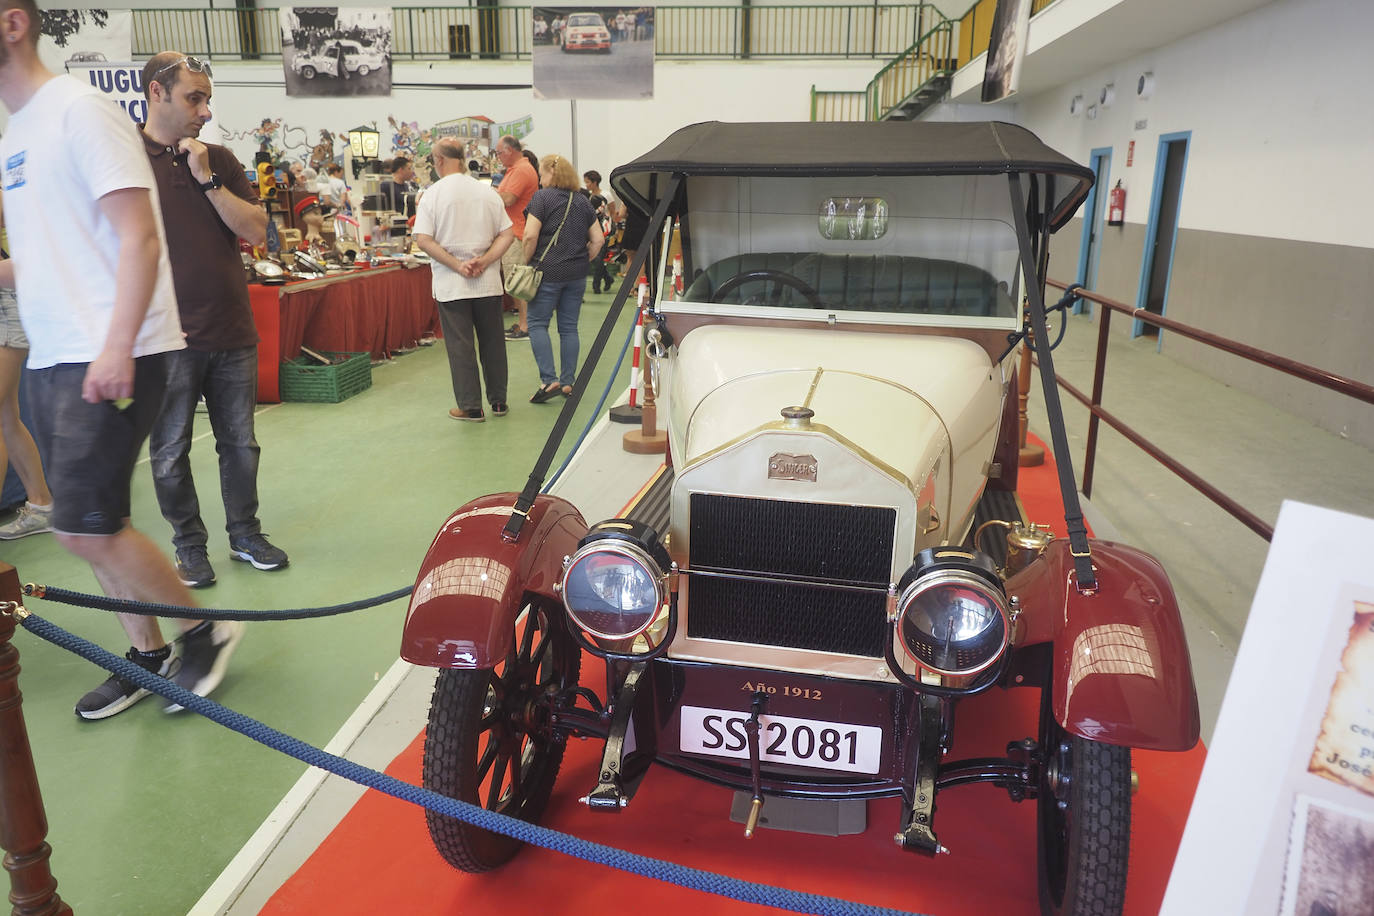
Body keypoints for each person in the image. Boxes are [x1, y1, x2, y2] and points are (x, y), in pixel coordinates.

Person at [0, 5, 240, 720]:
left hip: (115, 350)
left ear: (13, 23)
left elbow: (139, 238)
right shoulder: (18, 131)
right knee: (89, 518)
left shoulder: (81, 110)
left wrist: (114, 346)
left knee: (81, 525)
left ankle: (205, 631)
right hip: (54, 352)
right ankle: (147, 653)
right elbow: (54, 253)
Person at [139, 49, 288, 591]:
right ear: (157, 93)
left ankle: (245, 533)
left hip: (230, 329)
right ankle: (189, 546)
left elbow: (255, 230)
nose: (204, 109)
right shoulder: (125, 158)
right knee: (170, 448)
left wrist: (205, 178)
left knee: (241, 444)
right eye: (193, 98)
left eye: (207, 99)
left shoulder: (219, 160)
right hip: (165, 335)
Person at [412, 138, 515, 422]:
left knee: (461, 345)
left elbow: (423, 239)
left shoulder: (432, 194)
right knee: (493, 342)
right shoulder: (488, 194)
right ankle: (498, 402)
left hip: (452, 284)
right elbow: (507, 233)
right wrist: (485, 259)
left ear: (440, 160)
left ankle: (470, 406)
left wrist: (458, 264)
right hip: (487, 280)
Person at [520, 154, 603, 403]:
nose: (540, 179)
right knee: (568, 328)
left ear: (550, 174)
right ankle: (568, 382)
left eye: (541, 174)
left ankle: (549, 380)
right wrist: (583, 260)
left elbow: (530, 237)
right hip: (576, 274)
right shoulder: (582, 201)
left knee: (537, 324)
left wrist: (526, 262)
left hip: (546, 271)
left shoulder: (541, 198)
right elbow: (598, 239)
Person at [493, 135, 538, 340]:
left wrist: (487, 195)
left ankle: (526, 325)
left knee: (519, 283)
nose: (498, 157)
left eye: (499, 153)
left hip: (518, 234)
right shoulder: (516, 170)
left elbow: (509, 199)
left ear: (510, 150)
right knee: (516, 283)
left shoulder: (520, 170)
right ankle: (523, 322)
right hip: (515, 232)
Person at [581, 170, 614, 295]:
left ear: (595, 182)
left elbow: (612, 211)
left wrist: (612, 228)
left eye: (588, 182)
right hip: (591, 228)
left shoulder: (606, 194)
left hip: (604, 229)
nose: (587, 185)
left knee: (599, 258)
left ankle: (596, 285)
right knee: (595, 258)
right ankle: (608, 278)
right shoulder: (587, 196)